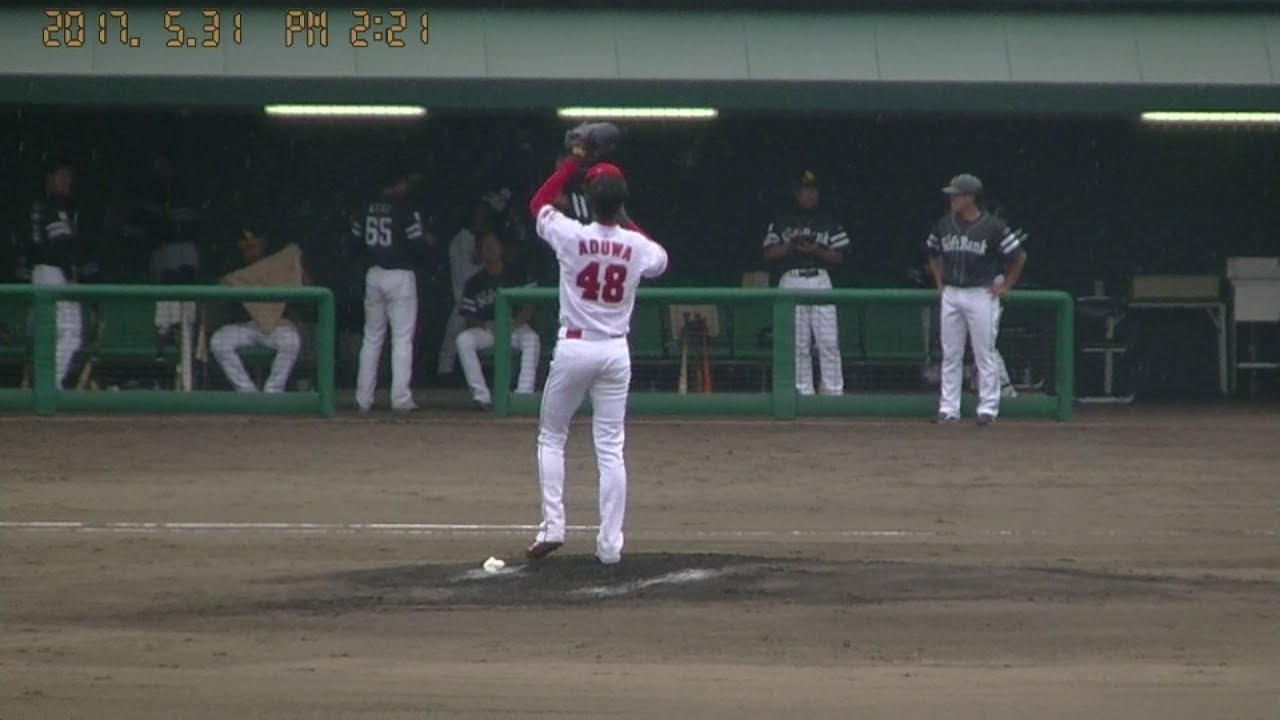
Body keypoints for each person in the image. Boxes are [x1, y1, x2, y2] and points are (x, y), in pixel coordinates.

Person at [524, 146, 667, 565]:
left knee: (552, 436)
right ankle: (609, 547)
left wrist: (571, 163)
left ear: (588, 197)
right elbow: (661, 259)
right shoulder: (636, 245)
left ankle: (553, 526)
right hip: (615, 351)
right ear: (621, 202)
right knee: (610, 449)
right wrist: (625, 219)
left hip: (575, 345)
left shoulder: (571, 234)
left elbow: (538, 204)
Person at [925, 173, 1028, 425]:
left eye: (956, 195)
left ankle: (988, 408)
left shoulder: (993, 226)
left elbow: (1019, 256)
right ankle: (949, 408)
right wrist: (939, 281)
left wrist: (1006, 285)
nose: (951, 199)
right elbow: (932, 252)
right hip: (952, 292)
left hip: (981, 293)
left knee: (984, 352)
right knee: (951, 353)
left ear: (970, 198)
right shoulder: (944, 224)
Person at [351, 166, 435, 413]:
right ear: (397, 183)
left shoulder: (365, 207)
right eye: (404, 182)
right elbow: (418, 246)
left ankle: (362, 399)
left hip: (374, 273)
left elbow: (355, 243)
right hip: (399, 274)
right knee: (401, 339)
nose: (407, 187)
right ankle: (400, 399)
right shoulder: (404, 208)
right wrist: (427, 243)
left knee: (372, 338)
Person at [761, 170, 850, 396]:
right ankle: (803, 394)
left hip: (820, 279)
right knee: (798, 343)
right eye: (806, 190)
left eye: (814, 190)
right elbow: (768, 253)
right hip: (792, 279)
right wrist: (791, 246)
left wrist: (815, 251)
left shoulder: (827, 219)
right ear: (796, 192)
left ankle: (833, 394)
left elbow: (840, 256)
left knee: (828, 341)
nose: (811, 194)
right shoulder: (782, 219)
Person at [209, 227, 306, 394]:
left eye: (255, 246)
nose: (252, 251)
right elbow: (217, 303)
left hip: (275, 326)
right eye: (247, 248)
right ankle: (247, 391)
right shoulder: (233, 268)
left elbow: (307, 285)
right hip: (244, 327)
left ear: (264, 245)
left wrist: (298, 265)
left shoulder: (277, 263)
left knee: (292, 341)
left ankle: (273, 391)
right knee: (218, 341)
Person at [454, 231, 540, 410]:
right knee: (463, 340)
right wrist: (483, 324)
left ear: (502, 248)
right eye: (485, 247)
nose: (490, 249)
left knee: (531, 339)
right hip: (489, 329)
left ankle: (522, 395)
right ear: (480, 253)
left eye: (493, 244)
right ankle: (481, 396)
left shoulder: (518, 273)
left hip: (515, 327)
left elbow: (531, 304)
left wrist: (515, 323)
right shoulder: (474, 282)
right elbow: (468, 315)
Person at [28, 160, 90, 388]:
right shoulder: (54, 205)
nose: (67, 181)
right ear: (49, 178)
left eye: (69, 176)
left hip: (43, 273)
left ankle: (45, 384)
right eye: (62, 176)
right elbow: (60, 245)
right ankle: (50, 385)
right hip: (53, 273)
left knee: (52, 332)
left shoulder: (42, 204)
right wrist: (70, 273)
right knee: (70, 330)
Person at [436, 199, 496, 377]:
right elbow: (466, 274)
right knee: (453, 339)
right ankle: (444, 375)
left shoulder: (482, 238)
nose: (482, 218)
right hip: (464, 297)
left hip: (481, 298)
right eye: (479, 214)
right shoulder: (462, 239)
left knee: (477, 341)